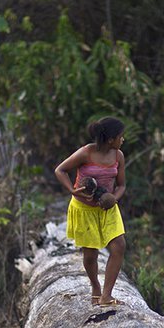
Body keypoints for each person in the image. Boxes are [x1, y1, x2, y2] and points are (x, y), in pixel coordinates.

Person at [54, 117, 127, 306]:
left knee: (119, 246)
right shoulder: (85, 153)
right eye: (120, 136)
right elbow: (60, 170)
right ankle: (95, 287)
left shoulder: (118, 156)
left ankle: (106, 295)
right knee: (90, 254)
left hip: (107, 209)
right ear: (110, 139)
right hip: (84, 209)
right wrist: (71, 189)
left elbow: (121, 185)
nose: (123, 140)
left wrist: (114, 198)